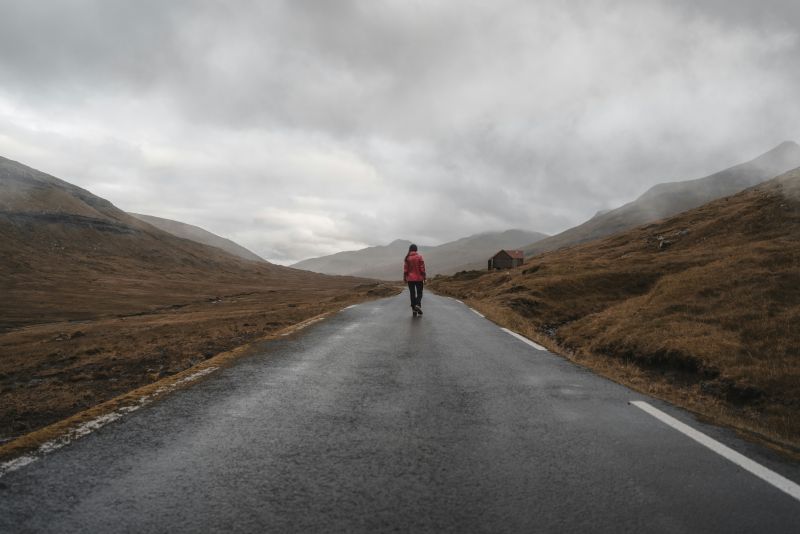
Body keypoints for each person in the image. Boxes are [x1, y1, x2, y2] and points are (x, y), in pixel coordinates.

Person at [403, 244, 426, 316]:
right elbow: (422, 268)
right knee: (419, 293)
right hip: (419, 278)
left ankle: (414, 310)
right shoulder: (419, 257)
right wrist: (424, 276)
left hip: (410, 279)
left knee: (412, 293)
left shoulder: (407, 258)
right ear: (416, 249)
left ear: (410, 249)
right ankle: (418, 305)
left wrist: (405, 278)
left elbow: (405, 269)